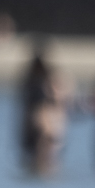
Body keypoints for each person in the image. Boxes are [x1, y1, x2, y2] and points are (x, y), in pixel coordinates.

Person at [18, 40, 67, 176]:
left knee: (47, 160)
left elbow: (60, 102)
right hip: (38, 124)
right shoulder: (29, 78)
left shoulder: (49, 78)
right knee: (37, 161)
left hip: (47, 124)